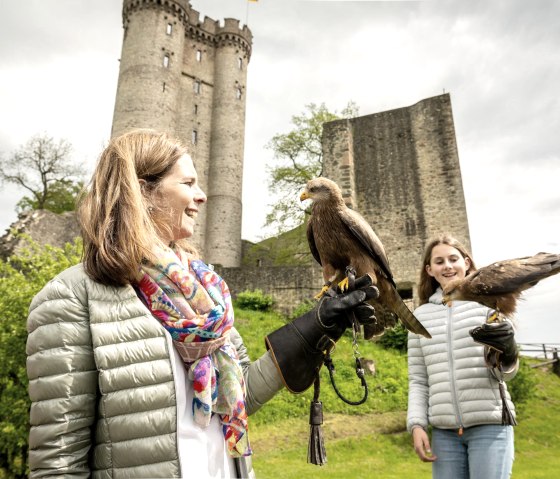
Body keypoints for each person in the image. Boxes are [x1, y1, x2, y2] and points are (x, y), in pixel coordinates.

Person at [26, 129, 379, 478]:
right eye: (188, 183)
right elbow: (58, 463)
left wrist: (314, 328)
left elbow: (240, 395)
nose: (203, 196)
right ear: (142, 191)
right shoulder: (73, 298)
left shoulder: (205, 292)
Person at [407, 234, 519, 479]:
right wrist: (416, 424)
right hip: (444, 432)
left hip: (490, 424)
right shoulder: (419, 317)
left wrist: (508, 352)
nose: (447, 266)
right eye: (439, 261)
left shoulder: (488, 306)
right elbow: (418, 379)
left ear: (466, 263)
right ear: (429, 270)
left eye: (453, 259)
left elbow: (502, 373)